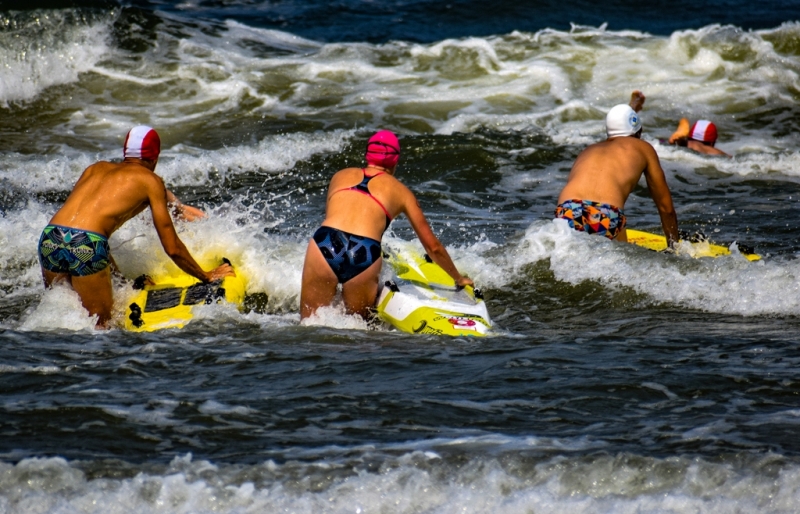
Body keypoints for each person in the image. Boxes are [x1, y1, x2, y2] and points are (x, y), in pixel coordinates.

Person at [37, 126, 234, 328]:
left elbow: (81, 233)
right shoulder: (151, 181)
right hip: (87, 245)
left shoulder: (94, 169)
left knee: (58, 318)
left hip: (51, 238)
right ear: (154, 157)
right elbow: (172, 246)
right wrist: (205, 275)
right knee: (100, 328)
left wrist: (122, 281)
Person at [300, 130, 473, 320]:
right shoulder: (402, 192)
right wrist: (458, 278)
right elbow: (433, 247)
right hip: (364, 253)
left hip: (326, 241)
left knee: (310, 323)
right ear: (395, 160)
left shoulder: (340, 175)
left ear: (367, 155)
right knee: (357, 331)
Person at [554, 91, 680, 246]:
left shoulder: (590, 150)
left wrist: (633, 105)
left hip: (568, 210)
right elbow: (665, 207)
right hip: (606, 215)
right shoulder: (644, 148)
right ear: (638, 131)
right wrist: (675, 249)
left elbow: (622, 123)